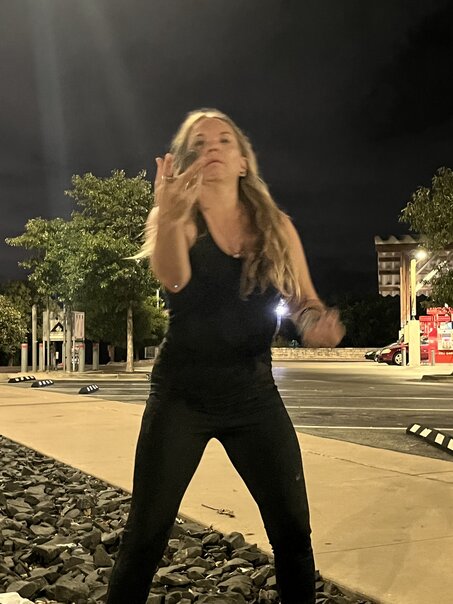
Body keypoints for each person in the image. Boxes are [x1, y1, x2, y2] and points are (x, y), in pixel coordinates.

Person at [106, 108, 345, 604]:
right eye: (199, 143)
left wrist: (314, 323)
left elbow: (303, 299)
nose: (211, 147)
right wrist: (170, 215)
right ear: (186, 163)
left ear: (242, 162)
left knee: (293, 532)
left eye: (223, 140)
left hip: (253, 396)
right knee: (147, 533)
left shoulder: (276, 227)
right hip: (181, 398)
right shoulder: (177, 217)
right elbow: (173, 279)